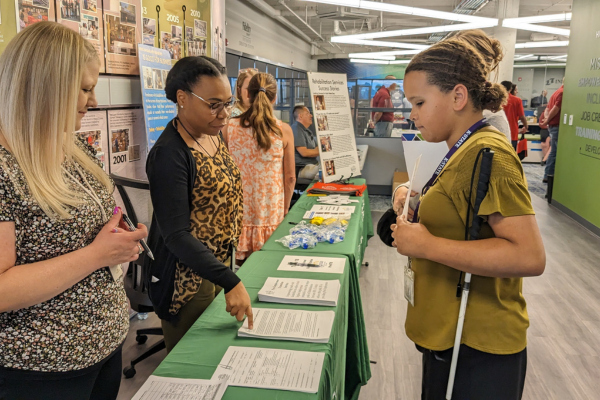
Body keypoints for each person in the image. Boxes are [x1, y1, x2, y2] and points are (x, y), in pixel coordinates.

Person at [0, 22, 149, 399]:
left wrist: (121, 240)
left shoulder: (70, 147)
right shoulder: (4, 167)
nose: (94, 101)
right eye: (84, 89)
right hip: (41, 367)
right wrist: (97, 255)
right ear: (44, 86)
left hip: (104, 346)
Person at [391, 37, 545, 400]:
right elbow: (464, 218)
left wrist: (428, 245)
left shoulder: (489, 154)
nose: (412, 113)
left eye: (420, 103)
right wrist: (414, 199)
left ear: (458, 97)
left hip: (478, 346)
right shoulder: (460, 151)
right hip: (449, 332)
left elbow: (528, 256)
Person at [146, 56, 253, 352]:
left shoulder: (212, 136)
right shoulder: (169, 154)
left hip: (216, 264)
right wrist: (230, 281)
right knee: (195, 360)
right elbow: (177, 235)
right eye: (213, 104)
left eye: (228, 103)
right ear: (182, 98)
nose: (223, 114)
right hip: (187, 280)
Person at [225, 73, 296, 262]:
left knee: (237, 270)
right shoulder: (283, 130)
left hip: (238, 213)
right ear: (275, 98)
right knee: (268, 267)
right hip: (270, 211)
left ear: (247, 94)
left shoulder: (228, 128)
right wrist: (286, 208)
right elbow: (290, 178)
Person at [541, 83, 564, 183]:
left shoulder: (555, 92)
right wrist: (547, 120)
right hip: (556, 126)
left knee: (553, 151)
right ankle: (549, 175)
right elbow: (555, 109)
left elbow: (547, 109)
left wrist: (546, 118)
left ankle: (548, 175)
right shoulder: (562, 93)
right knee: (554, 152)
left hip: (552, 126)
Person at [291, 105, 319, 176]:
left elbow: (317, 148)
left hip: (312, 164)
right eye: (308, 113)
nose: (311, 116)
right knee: (326, 172)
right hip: (302, 167)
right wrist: (322, 151)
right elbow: (304, 152)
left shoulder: (308, 131)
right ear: (300, 116)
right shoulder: (296, 128)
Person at [502, 80, 528, 149]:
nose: (517, 92)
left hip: (498, 132)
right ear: (510, 89)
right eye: (516, 90)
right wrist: (526, 126)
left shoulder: (496, 99)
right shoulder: (517, 100)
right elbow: (522, 116)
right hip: (512, 132)